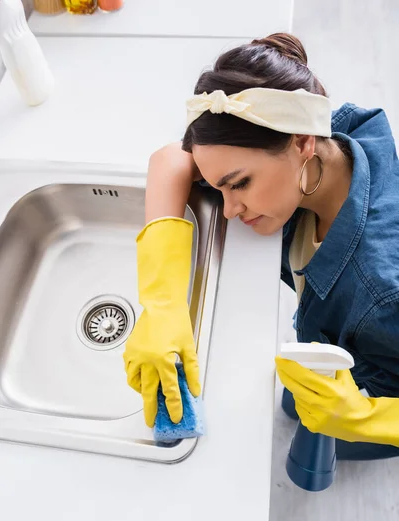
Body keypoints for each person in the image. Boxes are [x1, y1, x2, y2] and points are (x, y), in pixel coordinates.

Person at [123, 32, 399, 460]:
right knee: (293, 404)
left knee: (325, 433)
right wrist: (161, 305)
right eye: (220, 187)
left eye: (240, 184)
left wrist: (367, 419)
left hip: (377, 390)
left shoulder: (385, 289)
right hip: (339, 349)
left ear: (303, 143)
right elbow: (170, 160)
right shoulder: (329, 137)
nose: (229, 209)